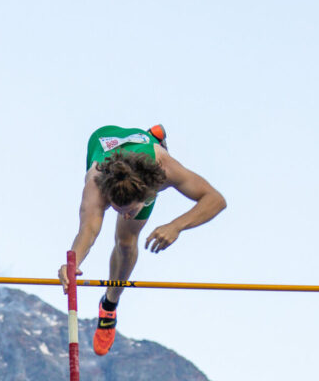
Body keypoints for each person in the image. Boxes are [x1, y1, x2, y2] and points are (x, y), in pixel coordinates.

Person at [59, 124, 226, 356]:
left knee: (126, 241)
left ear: (148, 193)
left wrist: (175, 226)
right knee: (109, 225)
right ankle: (152, 137)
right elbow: (88, 231)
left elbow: (216, 200)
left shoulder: (164, 169)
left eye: (129, 210)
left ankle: (109, 304)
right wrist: (72, 263)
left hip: (148, 159)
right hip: (101, 141)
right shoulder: (95, 186)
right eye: (117, 209)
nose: (124, 214)